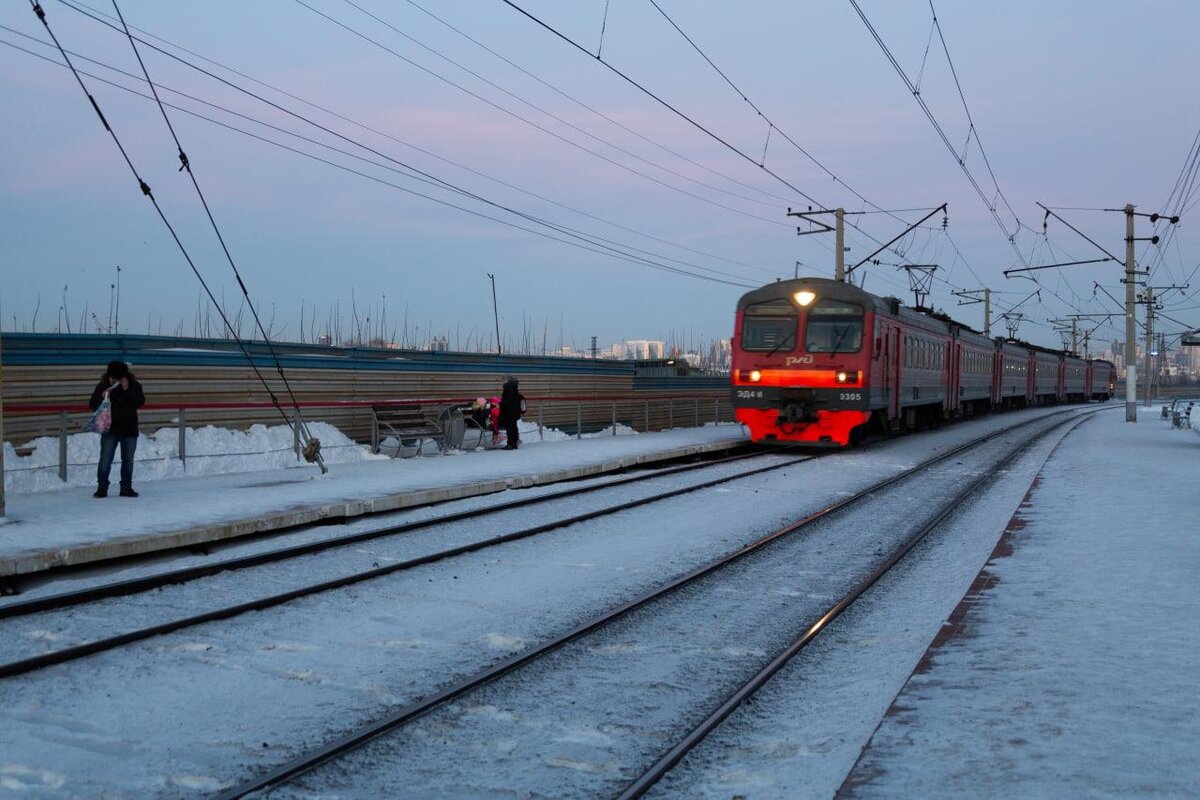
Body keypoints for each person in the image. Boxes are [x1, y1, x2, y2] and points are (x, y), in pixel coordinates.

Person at [89, 359, 146, 498]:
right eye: (112, 377)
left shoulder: (134, 385)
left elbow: (140, 402)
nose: (114, 380)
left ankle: (126, 488)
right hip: (110, 429)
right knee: (105, 459)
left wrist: (127, 390)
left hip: (129, 429)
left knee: (128, 460)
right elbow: (92, 404)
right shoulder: (104, 385)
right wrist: (102, 396)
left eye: (117, 378)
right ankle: (102, 488)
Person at [498, 375, 524, 450]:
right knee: (513, 427)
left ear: (507, 380)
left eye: (503, 380)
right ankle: (514, 443)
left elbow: (507, 400)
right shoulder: (514, 387)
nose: (502, 381)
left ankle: (510, 444)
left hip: (509, 411)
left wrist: (501, 403)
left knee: (509, 427)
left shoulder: (508, 387)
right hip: (514, 411)